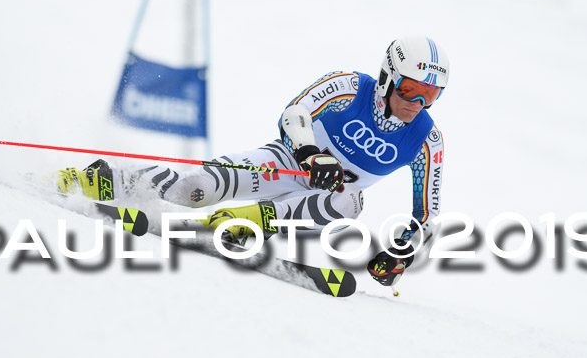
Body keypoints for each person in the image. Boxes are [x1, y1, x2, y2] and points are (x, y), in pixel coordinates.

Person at [58, 35, 449, 287]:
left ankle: (246, 222)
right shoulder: (350, 86)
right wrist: (309, 153)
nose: (417, 104)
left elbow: (427, 215)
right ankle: (105, 177)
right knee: (194, 189)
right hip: (285, 164)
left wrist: (402, 251)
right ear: (387, 77)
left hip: (321, 205)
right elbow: (295, 113)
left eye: (430, 96)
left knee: (352, 201)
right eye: (411, 89)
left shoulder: (426, 140)